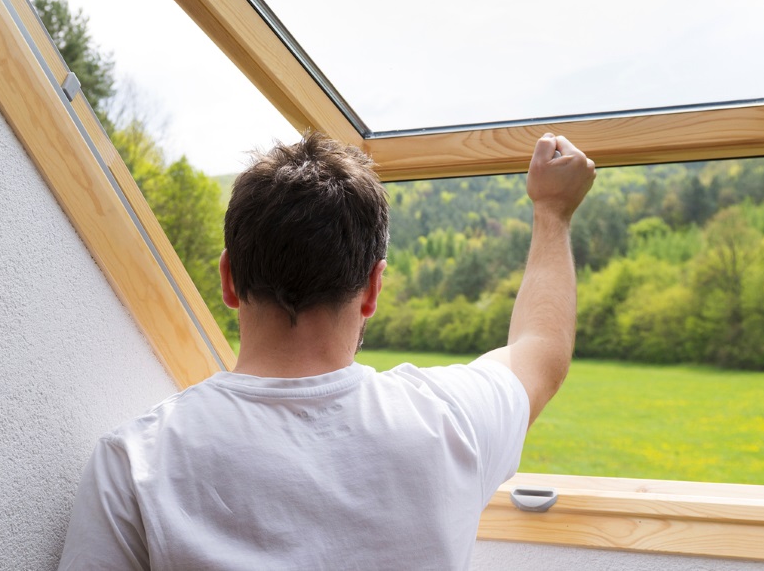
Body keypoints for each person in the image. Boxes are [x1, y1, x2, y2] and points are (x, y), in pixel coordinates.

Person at [58, 132, 597, 570]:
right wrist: (552, 211)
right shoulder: (448, 419)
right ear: (372, 289)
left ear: (227, 278)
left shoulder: (135, 464)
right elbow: (541, 352)